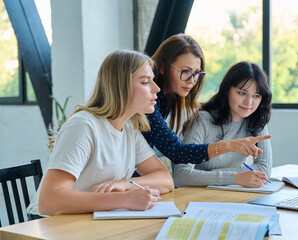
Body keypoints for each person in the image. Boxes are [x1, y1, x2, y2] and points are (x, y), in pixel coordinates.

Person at [27, 50, 174, 217]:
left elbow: (165, 180)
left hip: (89, 221)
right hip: (50, 224)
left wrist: (125, 184)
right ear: (121, 86)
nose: (156, 88)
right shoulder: (83, 126)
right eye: (145, 82)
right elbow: (50, 202)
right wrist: (124, 199)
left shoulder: (128, 129)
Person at [142, 34, 271, 165]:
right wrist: (228, 146)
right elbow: (176, 151)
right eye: (186, 71)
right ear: (163, 67)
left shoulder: (167, 97)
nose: (192, 80)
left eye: (197, 73)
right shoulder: (147, 99)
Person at [173, 61, 272, 188]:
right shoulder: (202, 120)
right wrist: (236, 178)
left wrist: (211, 174)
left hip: (231, 195)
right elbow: (181, 175)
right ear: (227, 90)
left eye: (256, 96)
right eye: (242, 93)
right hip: (199, 196)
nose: (249, 102)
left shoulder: (257, 120)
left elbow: (264, 170)